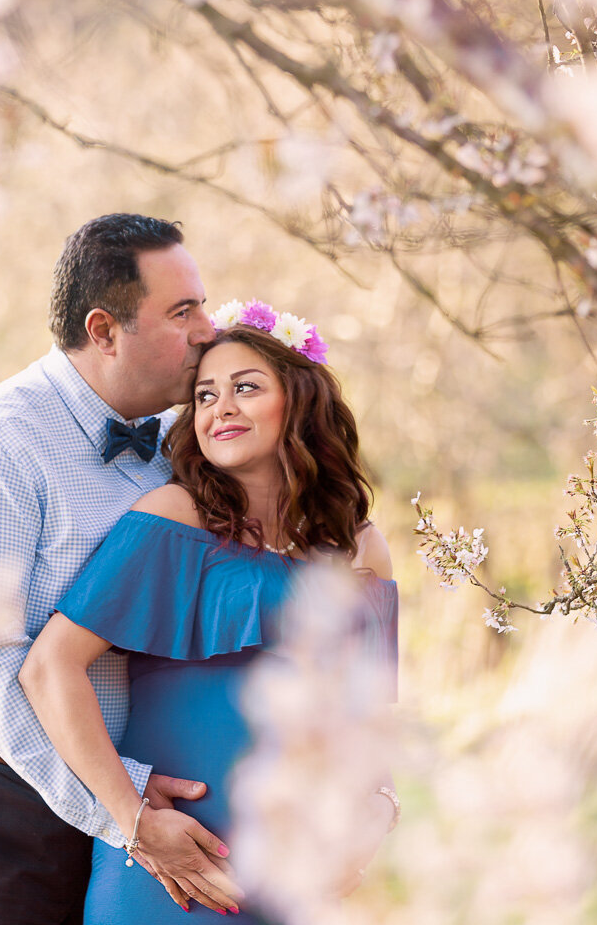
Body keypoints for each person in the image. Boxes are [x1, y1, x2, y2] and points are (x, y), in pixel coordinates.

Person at [0, 213, 239, 925]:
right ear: (104, 330)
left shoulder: (184, 440)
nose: (209, 330)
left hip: (124, 791)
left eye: (202, 303)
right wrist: (126, 816)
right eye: (182, 312)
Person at [20, 302, 400, 924]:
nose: (219, 407)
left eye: (245, 388)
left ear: (300, 401)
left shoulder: (362, 547)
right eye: (203, 395)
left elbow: (370, 723)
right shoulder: (173, 517)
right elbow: (49, 668)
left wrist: (377, 814)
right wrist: (134, 820)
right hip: (175, 871)